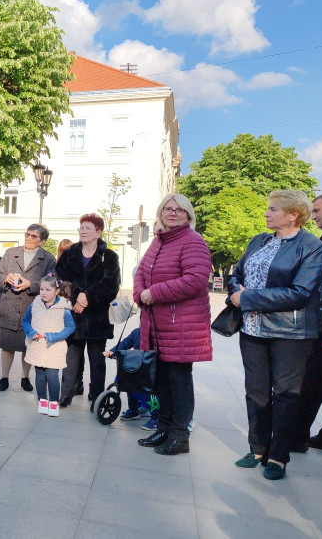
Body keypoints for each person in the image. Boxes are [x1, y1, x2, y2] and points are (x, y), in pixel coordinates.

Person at [228, 190, 322, 479]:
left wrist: (248, 298)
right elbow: (237, 273)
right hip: (252, 328)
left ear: (293, 214)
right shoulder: (259, 240)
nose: (266, 213)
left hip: (290, 332)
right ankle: (257, 448)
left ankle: (278, 457)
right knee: (256, 392)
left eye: (273, 209)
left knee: (285, 395)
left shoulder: (312, 247)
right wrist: (236, 290)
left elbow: (301, 292)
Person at [132, 195, 212, 456]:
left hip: (180, 326)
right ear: (161, 212)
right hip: (157, 325)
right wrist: (139, 293)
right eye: (168, 209)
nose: (173, 213)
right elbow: (140, 273)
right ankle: (164, 427)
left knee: (178, 381)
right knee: (161, 381)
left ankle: (180, 435)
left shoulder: (193, 241)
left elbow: (195, 280)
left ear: (188, 215)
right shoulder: (158, 241)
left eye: (179, 210)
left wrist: (154, 293)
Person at [56, 214, 121, 409]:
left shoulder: (109, 256)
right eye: (81, 227)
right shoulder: (70, 254)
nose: (82, 231)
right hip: (73, 314)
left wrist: (88, 299)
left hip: (97, 318)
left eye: (87, 228)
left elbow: (111, 285)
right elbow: (60, 279)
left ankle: (97, 397)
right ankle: (66, 394)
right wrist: (76, 297)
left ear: (98, 232)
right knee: (70, 358)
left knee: (97, 361)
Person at [295, 192, 322, 454]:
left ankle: (295, 437)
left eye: (318, 210)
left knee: (312, 381)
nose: (314, 216)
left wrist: (315, 325)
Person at [0, 224, 56, 392]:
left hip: (33, 309)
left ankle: (24, 378)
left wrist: (32, 285)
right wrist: (6, 279)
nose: (29, 238)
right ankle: (4, 377)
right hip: (9, 306)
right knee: (7, 345)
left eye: (34, 236)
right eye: (27, 234)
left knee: (28, 345)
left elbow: (53, 282)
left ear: (42, 241)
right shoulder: (10, 253)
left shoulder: (48, 259)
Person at [22, 274, 75, 417]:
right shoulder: (35, 303)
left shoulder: (63, 308)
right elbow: (26, 321)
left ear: (57, 291)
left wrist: (53, 336)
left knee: (52, 375)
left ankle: (53, 402)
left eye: (47, 290)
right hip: (38, 347)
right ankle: (42, 401)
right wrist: (31, 332)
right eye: (41, 289)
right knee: (39, 374)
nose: (43, 293)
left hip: (54, 348)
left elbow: (70, 328)